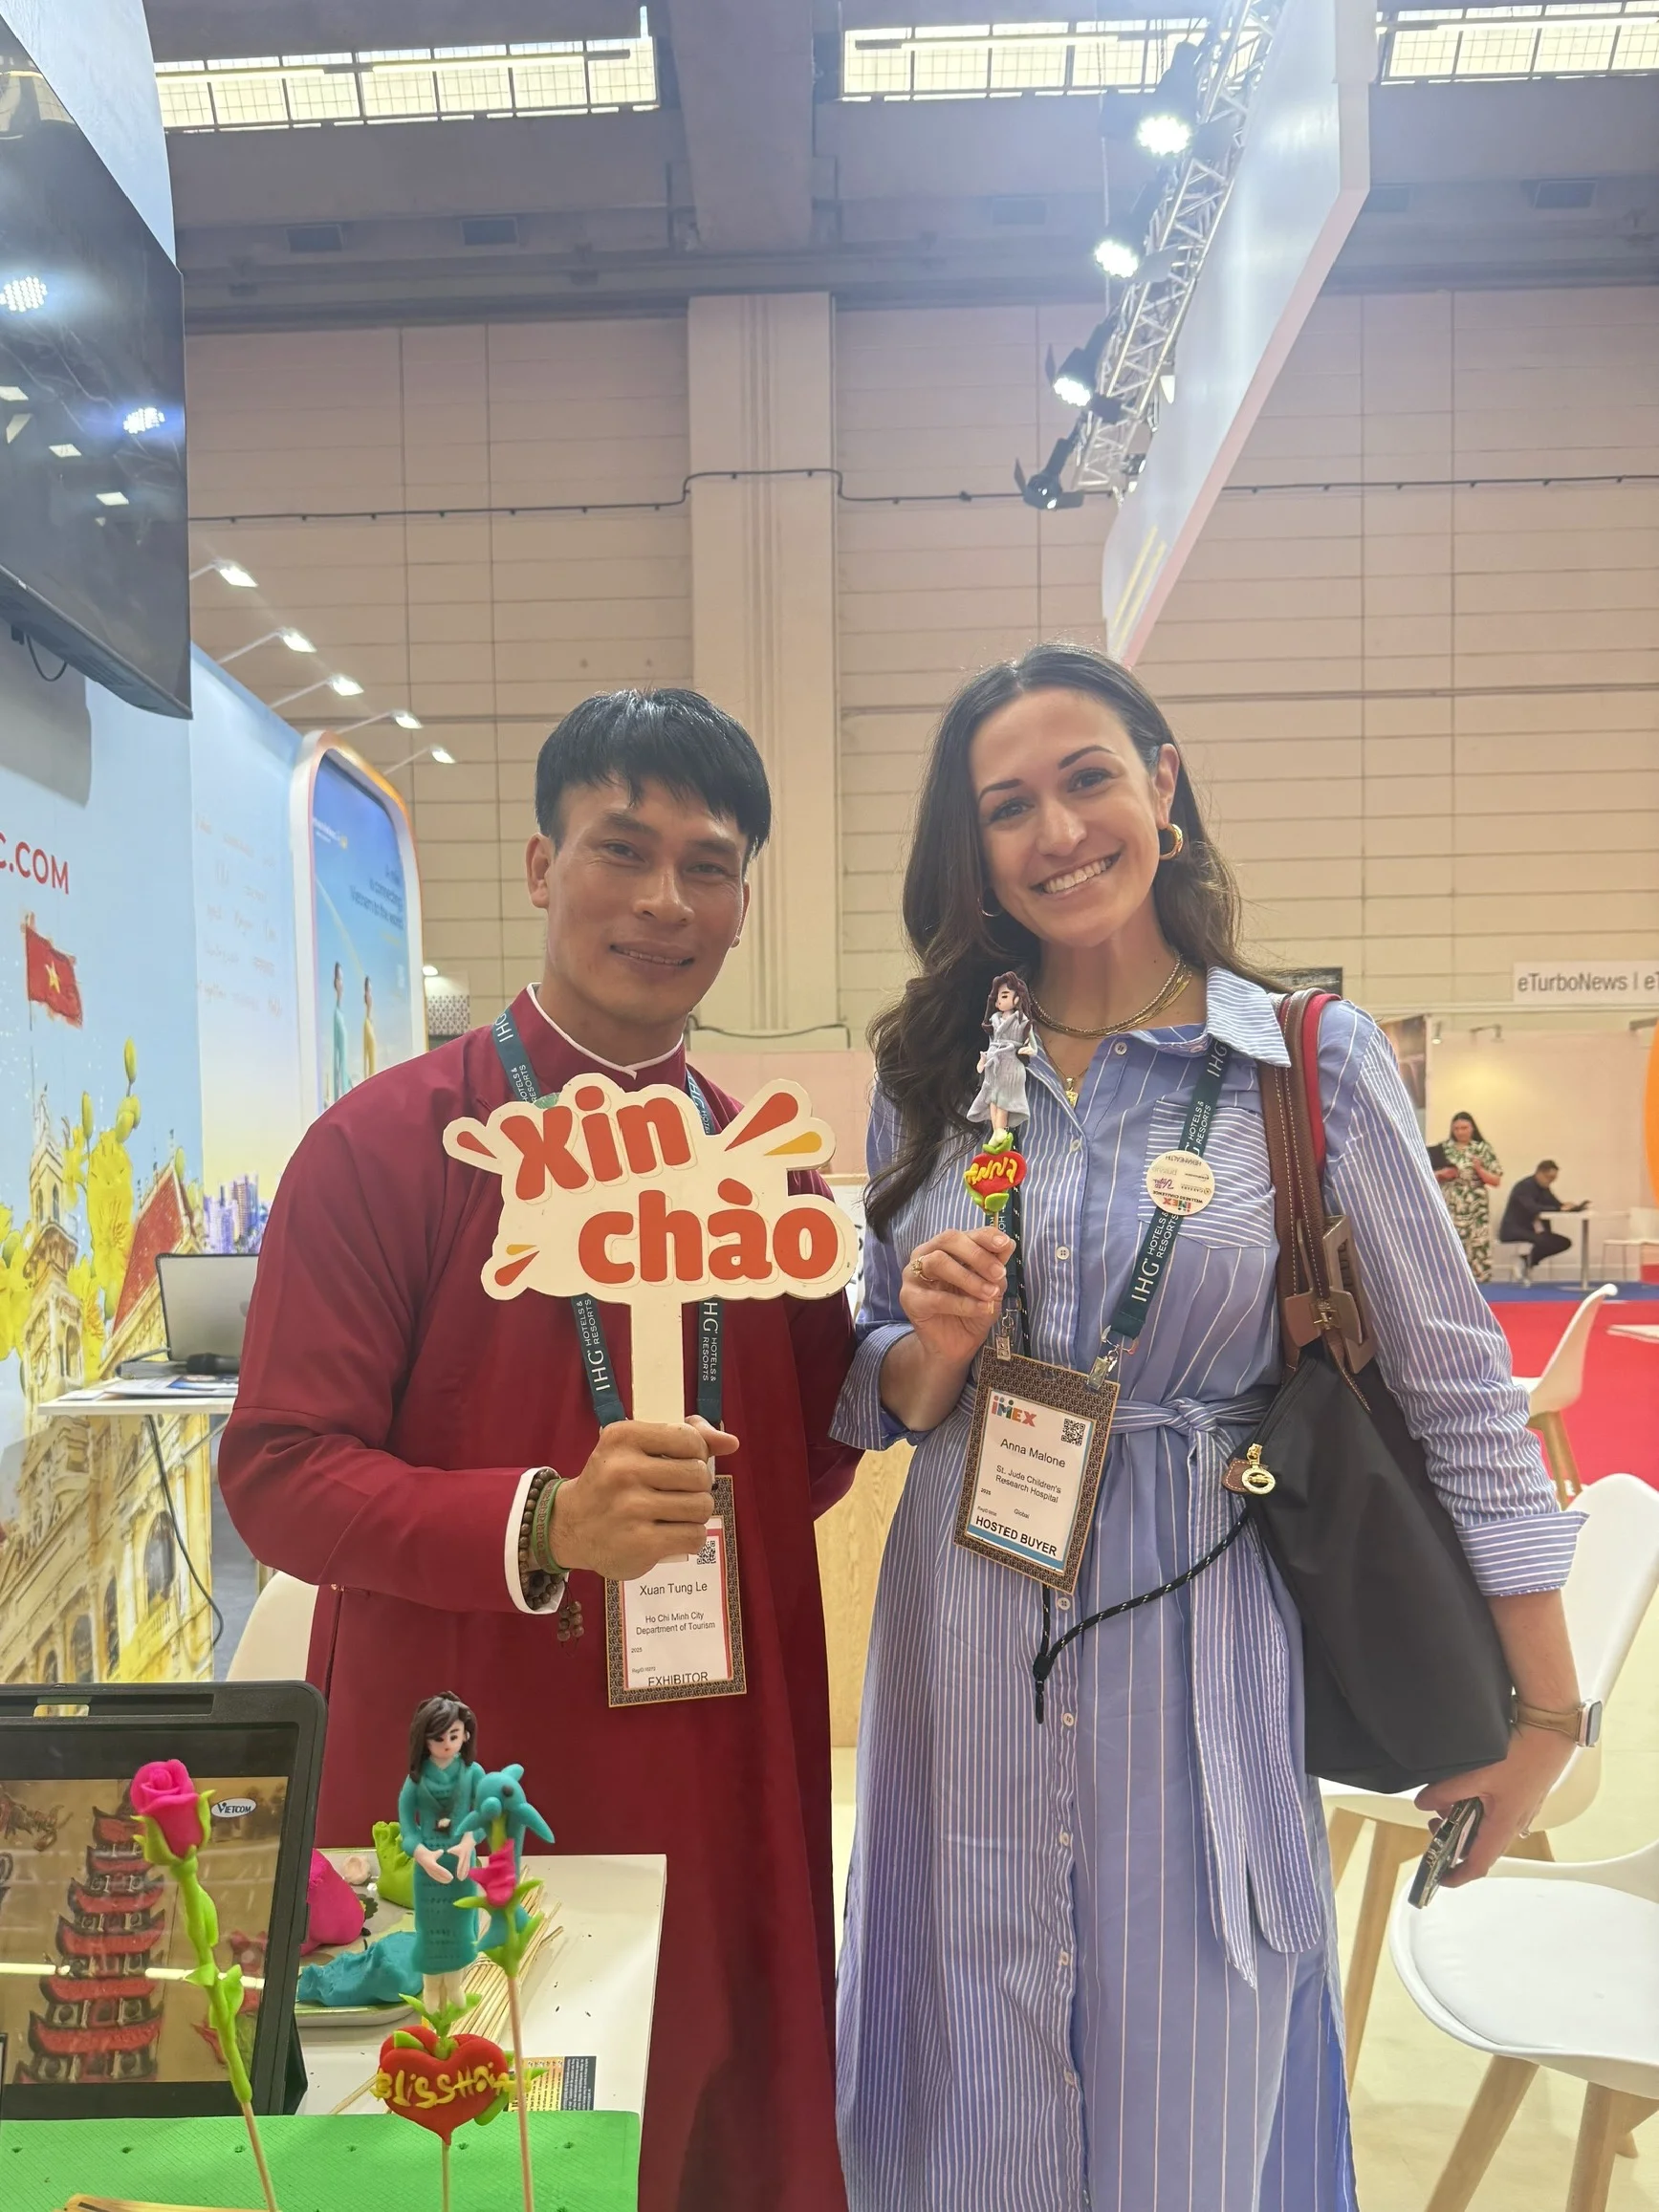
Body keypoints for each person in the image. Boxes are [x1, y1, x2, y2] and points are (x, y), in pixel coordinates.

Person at [831, 643, 1584, 2212]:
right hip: (965, 1619)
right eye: (1007, 805)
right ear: (973, 845)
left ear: (1161, 785)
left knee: (1194, 2053)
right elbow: (870, 1371)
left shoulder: (1302, 1061)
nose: (1056, 831)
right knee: (959, 2042)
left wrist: (1541, 1709)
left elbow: (1454, 1384)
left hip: (1203, 1613)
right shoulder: (930, 1069)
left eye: (1086, 778)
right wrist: (926, 1350)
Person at [220, 689, 860, 2212]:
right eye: (619, 850)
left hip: (719, 1749)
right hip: (470, 1758)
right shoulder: (386, 1147)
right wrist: (541, 1520)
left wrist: (921, 1359)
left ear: (743, 901)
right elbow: (279, 1473)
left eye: (706, 866)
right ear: (536, 865)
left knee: (713, 2121)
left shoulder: (760, 1173)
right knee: (474, 2154)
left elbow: (803, 1458)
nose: (662, 900)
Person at [399, 1692, 481, 2012]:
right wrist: (420, 1853)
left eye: (454, 1736)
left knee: (460, 1927)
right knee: (430, 1930)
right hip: (428, 1867)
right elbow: (408, 1826)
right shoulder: (416, 1780)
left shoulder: (472, 1773)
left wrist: (470, 1840)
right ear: (424, 1740)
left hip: (461, 1863)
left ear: (466, 1735)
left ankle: (456, 1985)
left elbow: (485, 1814)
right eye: (438, 1738)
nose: (447, 1744)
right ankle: (431, 1988)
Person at [1434, 1110, 1503, 1282]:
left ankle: (1480, 1280)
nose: (1460, 1132)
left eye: (1464, 1128)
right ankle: (1451, 1280)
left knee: (1477, 1242)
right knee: (1450, 1240)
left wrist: (1479, 1169)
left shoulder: (1482, 1148)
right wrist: (1442, 1174)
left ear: (1472, 1128)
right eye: (1456, 1128)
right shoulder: (1443, 1149)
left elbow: (1495, 1180)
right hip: (1451, 1202)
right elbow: (1428, 1176)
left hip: (1476, 1205)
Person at [966, 969, 1034, 1142]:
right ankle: (997, 1131)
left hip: (1011, 1064)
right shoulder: (994, 1020)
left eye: (1004, 996)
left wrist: (1028, 1050)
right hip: (994, 1063)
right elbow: (992, 1042)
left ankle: (1000, 1131)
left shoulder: (1022, 1022)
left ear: (1017, 998)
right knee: (992, 1098)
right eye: (997, 998)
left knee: (1004, 1099)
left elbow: (1032, 1046)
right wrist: (984, 1059)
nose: (999, 1001)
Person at [1499, 1159, 1587, 1275]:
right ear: (1539, 1173)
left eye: (1553, 1179)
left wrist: (1568, 1207)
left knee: (1564, 1242)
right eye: (1549, 1178)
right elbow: (1533, 1208)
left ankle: (1526, 1260)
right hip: (1515, 1229)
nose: (1551, 1181)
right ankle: (1526, 1261)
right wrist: (1559, 1208)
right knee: (1547, 1241)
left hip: (1533, 1230)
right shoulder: (1524, 1187)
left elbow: (1555, 1205)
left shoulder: (1544, 1189)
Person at [329, 961, 350, 1103]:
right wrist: (338, 1090)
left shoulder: (341, 1015)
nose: (341, 983)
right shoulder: (336, 1015)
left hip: (345, 1083)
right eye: (339, 979)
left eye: (342, 979)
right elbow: (336, 1055)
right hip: (340, 1088)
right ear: (335, 983)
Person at [361, 973, 378, 1079]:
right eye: (368, 992)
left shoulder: (371, 1024)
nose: (370, 996)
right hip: (370, 1078)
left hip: (374, 1075)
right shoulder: (366, 1025)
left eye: (371, 992)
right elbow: (365, 1056)